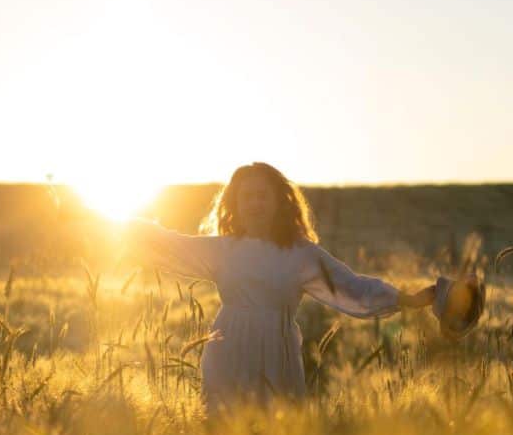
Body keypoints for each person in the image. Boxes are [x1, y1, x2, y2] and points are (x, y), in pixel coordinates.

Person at [121, 162, 437, 413]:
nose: (255, 203)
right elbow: (171, 245)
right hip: (226, 348)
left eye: (263, 195)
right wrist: (121, 225)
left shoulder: (301, 253)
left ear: (278, 202)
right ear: (236, 203)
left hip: (278, 352)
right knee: (222, 433)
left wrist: (406, 299)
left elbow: (351, 286)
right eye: (247, 196)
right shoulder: (222, 249)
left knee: (279, 432)